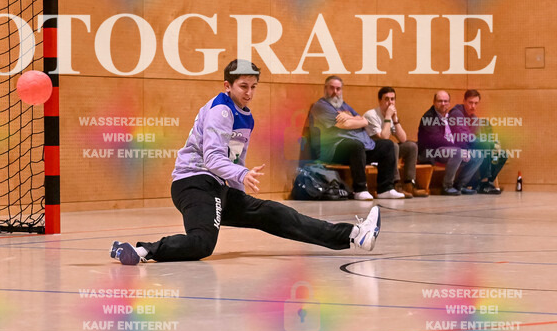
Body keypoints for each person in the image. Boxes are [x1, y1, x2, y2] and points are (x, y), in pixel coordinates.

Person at [109, 59, 381, 265]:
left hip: (218, 187)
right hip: (194, 183)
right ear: (227, 86)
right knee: (202, 244)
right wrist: (242, 174)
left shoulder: (245, 116)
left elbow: (236, 158)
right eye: (243, 86)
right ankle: (141, 251)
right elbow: (213, 159)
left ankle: (353, 235)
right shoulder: (220, 111)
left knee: (276, 214)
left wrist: (240, 190)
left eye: (253, 87)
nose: (249, 92)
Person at [310, 76, 404, 200]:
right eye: (331, 88)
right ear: (325, 89)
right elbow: (345, 124)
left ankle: (385, 189)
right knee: (355, 144)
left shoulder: (344, 105)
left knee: (387, 145)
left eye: (338, 89)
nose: (335, 92)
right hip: (334, 149)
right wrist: (351, 120)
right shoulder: (320, 106)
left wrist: (348, 116)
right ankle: (360, 189)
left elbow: (364, 121)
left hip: (358, 149)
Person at [363, 87, 426, 197]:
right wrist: (388, 116)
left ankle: (409, 184)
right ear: (380, 100)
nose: (390, 102)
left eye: (392, 99)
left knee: (411, 146)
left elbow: (403, 139)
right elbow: (384, 138)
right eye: (386, 99)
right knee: (392, 146)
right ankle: (395, 184)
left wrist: (395, 119)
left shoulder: (391, 115)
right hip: (372, 153)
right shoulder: (371, 115)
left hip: (387, 153)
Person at [417, 91, 484, 195]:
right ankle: (447, 186)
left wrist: (465, 150)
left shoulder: (450, 116)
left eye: (446, 101)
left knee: (478, 155)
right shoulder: (429, 117)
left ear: (449, 103)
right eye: (440, 101)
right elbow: (436, 140)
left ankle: (460, 186)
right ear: (434, 102)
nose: (443, 103)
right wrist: (460, 150)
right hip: (432, 151)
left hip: (450, 149)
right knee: (457, 153)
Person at [450, 90, 506, 194]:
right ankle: (485, 183)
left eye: (476, 103)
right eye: (470, 102)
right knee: (485, 145)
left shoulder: (474, 118)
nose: (473, 106)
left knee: (502, 154)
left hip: (471, 146)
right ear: (464, 101)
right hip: (458, 146)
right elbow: (463, 136)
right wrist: (490, 143)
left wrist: (494, 144)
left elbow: (478, 136)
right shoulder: (456, 113)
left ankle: (485, 183)